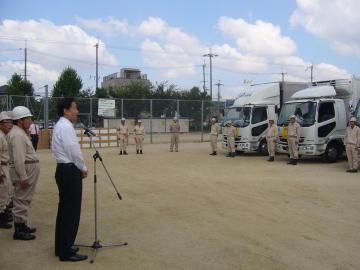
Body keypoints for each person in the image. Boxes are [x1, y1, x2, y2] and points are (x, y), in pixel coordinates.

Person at [51, 98, 88, 262]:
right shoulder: (66, 127)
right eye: (75, 108)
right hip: (69, 170)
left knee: (65, 211)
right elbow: (73, 151)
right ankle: (66, 251)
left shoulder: (60, 125)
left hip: (63, 169)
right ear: (66, 110)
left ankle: (62, 246)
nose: (77, 111)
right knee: (71, 212)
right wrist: (83, 167)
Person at [8, 106, 39, 240]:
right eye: (28, 118)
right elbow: (19, 158)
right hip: (25, 169)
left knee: (24, 197)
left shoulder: (20, 132)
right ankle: (19, 230)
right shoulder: (17, 135)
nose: (31, 120)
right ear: (20, 120)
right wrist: (23, 177)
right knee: (21, 198)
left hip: (28, 168)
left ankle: (22, 224)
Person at [0, 112, 13, 229]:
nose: (9, 125)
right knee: (2, 193)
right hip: (1, 167)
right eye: (7, 122)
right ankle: (1, 218)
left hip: (5, 165)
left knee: (6, 191)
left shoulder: (3, 135)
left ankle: (4, 214)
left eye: (10, 122)